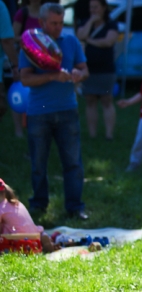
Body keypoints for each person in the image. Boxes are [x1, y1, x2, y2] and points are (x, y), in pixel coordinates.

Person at [19, 2, 89, 220]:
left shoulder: (70, 40)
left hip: (68, 110)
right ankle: (39, 205)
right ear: (42, 22)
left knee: (73, 163)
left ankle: (75, 206)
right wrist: (52, 76)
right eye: (53, 23)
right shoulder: (32, 44)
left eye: (61, 23)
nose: (58, 27)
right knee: (39, 163)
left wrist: (79, 74)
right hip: (38, 112)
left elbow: (84, 69)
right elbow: (25, 78)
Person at [75, 0, 119, 140]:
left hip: (106, 70)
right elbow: (80, 36)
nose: (93, 10)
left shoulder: (111, 24)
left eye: (96, 7)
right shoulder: (84, 22)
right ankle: (92, 135)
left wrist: (90, 41)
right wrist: (91, 22)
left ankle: (109, 135)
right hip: (89, 69)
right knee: (90, 100)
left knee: (107, 100)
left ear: (103, 8)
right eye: (91, 7)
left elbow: (108, 41)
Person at [11, 0, 41, 138]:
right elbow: (12, 37)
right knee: (18, 93)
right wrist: (30, 40)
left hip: (41, 61)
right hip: (24, 59)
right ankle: (18, 130)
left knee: (37, 93)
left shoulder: (46, 13)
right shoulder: (22, 13)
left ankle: (36, 127)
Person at [0, 178, 54, 252]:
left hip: (19, 240)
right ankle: (41, 239)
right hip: (35, 235)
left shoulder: (1, 208)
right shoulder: (16, 203)